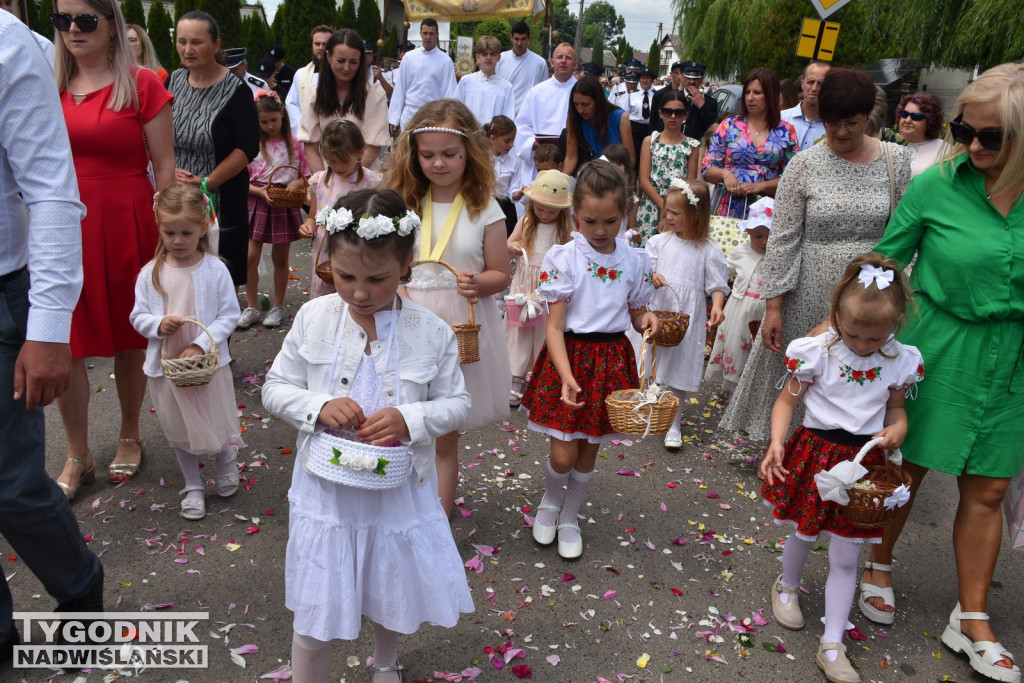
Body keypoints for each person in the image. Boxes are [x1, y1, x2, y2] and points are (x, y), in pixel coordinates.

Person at [262, 188, 474, 683]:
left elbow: (457, 403)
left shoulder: (430, 330)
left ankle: (385, 662)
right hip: (327, 495)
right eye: (345, 276)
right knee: (315, 607)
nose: (359, 292)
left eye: (376, 279)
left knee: (388, 583)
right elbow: (275, 388)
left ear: (406, 265)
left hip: (395, 491)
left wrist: (410, 419)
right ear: (327, 262)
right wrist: (316, 406)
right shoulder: (315, 318)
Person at [864, 63, 1024, 683]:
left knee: (987, 489)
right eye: (964, 131)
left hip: (1011, 356)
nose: (973, 146)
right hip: (939, 344)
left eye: (991, 138)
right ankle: (878, 563)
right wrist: (839, 329)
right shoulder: (936, 185)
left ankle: (974, 617)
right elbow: (887, 258)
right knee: (907, 468)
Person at [720, 68, 913, 442]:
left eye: (852, 124)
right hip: (806, 294)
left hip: (872, 298)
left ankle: (847, 463)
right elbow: (784, 239)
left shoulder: (897, 162)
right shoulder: (804, 165)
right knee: (804, 382)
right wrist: (773, 306)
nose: (840, 133)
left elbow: (906, 235)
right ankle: (790, 462)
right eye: (831, 123)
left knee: (855, 386)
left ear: (869, 117)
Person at [759, 253, 922, 683]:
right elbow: (787, 402)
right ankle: (787, 585)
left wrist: (898, 429)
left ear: (897, 323)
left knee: (848, 552)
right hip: (816, 452)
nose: (864, 346)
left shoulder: (898, 358)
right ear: (836, 315)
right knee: (804, 529)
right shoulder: (819, 351)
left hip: (865, 460)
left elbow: (896, 410)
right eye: (854, 335)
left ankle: (833, 642)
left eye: (876, 338)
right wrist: (777, 442)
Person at [0, 10, 104, 662]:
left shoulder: (8, 43)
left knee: (10, 483)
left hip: (7, 288)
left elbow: (51, 189)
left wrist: (48, 328)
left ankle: (79, 587)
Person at [54, 0, 174, 495]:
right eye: (62, 20)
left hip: (127, 217)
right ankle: (76, 453)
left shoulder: (143, 84)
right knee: (66, 341)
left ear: (111, 25)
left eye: (85, 20)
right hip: (62, 223)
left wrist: (169, 237)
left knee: (130, 334)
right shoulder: (47, 86)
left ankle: (130, 434)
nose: (73, 30)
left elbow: (165, 166)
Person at [521, 161, 658, 560]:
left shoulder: (636, 260)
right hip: (570, 356)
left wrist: (645, 317)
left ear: (626, 214)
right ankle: (550, 498)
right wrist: (565, 376)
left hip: (612, 358)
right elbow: (554, 327)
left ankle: (570, 513)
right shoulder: (565, 258)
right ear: (574, 215)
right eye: (589, 220)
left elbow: (635, 310)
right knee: (562, 452)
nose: (600, 230)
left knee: (588, 447)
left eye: (610, 221)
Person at [384, 99, 512, 516]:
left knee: (442, 432)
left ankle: (436, 515)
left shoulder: (485, 207)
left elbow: (500, 274)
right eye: (428, 155)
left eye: (450, 155)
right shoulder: (401, 200)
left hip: (460, 325)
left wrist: (478, 283)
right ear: (413, 154)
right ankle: (395, 503)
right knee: (399, 418)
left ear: (469, 153)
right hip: (404, 318)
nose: (438, 164)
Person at [129, 187, 243, 521]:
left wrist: (202, 345)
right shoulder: (151, 273)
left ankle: (225, 461)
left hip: (205, 363)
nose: (177, 240)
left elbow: (228, 315)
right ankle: (192, 484)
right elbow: (137, 316)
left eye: (186, 233)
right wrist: (157, 323)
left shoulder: (214, 270)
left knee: (214, 416)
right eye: (169, 232)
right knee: (179, 426)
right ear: (159, 228)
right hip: (169, 366)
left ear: (204, 228)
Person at [168, 10, 260, 287]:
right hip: (177, 200)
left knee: (215, 284)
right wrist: (169, 170)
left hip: (220, 200)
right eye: (182, 42)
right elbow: (158, 134)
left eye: (196, 42)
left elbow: (247, 148)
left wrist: (207, 182)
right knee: (177, 278)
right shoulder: (172, 81)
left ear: (216, 45)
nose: (188, 49)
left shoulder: (236, 90)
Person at [644, 179, 728, 449]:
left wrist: (717, 305)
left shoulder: (708, 250)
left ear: (695, 214)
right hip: (660, 310)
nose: (668, 216)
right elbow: (645, 272)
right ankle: (651, 407)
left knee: (679, 368)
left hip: (686, 318)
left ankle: (674, 422)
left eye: (675, 213)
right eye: (667, 210)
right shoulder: (659, 242)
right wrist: (652, 276)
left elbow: (716, 285)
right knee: (654, 363)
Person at [239, 91, 310, 329]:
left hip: (285, 203)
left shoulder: (296, 143)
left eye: (273, 120)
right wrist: (260, 192)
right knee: (250, 257)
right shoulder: (251, 145)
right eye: (263, 121)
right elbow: (241, 180)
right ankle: (251, 306)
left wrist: (296, 184)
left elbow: (307, 175)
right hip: (257, 201)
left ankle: (277, 306)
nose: (269, 126)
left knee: (281, 258)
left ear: (282, 114)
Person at [506, 169, 573, 406]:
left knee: (546, 331)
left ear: (562, 211)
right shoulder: (525, 222)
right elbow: (509, 242)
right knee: (521, 330)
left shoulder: (566, 230)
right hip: (525, 285)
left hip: (549, 288)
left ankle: (540, 375)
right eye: (540, 208)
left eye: (551, 210)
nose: (544, 214)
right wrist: (513, 247)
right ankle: (516, 375)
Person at [300, 119, 382, 299]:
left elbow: (378, 218)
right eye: (332, 162)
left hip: (358, 251)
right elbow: (312, 216)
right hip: (325, 254)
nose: (337, 167)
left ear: (360, 152)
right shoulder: (319, 181)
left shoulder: (370, 182)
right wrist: (308, 225)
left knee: (353, 296)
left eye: (343, 162)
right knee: (325, 297)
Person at [702, 68, 798, 218]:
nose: (750, 98)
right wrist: (725, 174)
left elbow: (793, 177)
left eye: (757, 93)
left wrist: (760, 186)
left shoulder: (786, 131)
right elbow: (707, 168)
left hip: (767, 210)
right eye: (747, 92)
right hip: (727, 207)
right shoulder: (728, 126)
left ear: (771, 95)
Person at [705, 196, 772, 399]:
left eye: (770, 236)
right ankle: (730, 390)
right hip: (739, 307)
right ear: (748, 231)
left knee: (758, 351)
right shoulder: (740, 252)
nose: (764, 242)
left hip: (765, 308)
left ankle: (752, 393)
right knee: (736, 345)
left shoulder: (777, 255)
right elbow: (722, 272)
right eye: (758, 235)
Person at [300, 28, 389, 173]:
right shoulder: (314, 94)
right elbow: (311, 147)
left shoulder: (374, 94)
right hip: (325, 177)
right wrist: (322, 183)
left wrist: (347, 180)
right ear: (328, 56)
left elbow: (372, 148)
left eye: (353, 62)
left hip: (362, 178)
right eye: (341, 61)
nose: (346, 68)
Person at [637, 88, 700, 245]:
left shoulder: (692, 146)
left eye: (678, 112)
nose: (673, 116)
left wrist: (671, 212)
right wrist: (664, 207)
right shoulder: (650, 141)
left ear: (686, 115)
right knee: (648, 253)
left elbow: (689, 184)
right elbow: (644, 180)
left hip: (679, 208)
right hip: (651, 206)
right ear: (660, 113)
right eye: (668, 111)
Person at [514, 42, 578, 180]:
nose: (563, 61)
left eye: (568, 57)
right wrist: (531, 142)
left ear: (576, 64)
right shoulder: (537, 91)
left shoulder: (581, 90)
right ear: (552, 62)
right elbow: (522, 124)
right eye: (559, 57)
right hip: (541, 158)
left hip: (572, 157)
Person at [387, 18, 456, 133]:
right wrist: (394, 118)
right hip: (411, 112)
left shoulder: (445, 60)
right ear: (420, 34)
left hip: (434, 115)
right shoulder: (409, 58)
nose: (428, 37)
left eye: (431, 33)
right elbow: (400, 88)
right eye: (425, 33)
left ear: (437, 35)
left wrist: (449, 119)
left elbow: (450, 92)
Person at [562, 75, 632, 176]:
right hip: (586, 176)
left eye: (585, 104)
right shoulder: (573, 118)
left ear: (598, 101)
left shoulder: (620, 118)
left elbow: (630, 159)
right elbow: (571, 158)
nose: (580, 110)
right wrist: (560, 181)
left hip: (614, 177)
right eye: (576, 104)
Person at [454, 35, 515, 127]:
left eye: (492, 54)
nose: (488, 58)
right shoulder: (466, 82)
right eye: (484, 54)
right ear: (478, 57)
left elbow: (508, 119)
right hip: (470, 136)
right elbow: (456, 112)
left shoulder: (506, 87)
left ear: (498, 57)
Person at [285, 25, 333, 136]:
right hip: (306, 133)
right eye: (317, 44)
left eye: (325, 44)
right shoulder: (301, 74)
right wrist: (303, 126)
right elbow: (292, 103)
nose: (320, 48)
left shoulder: (340, 74)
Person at [496, 21, 549, 114]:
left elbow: (543, 92)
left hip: (528, 117)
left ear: (529, 38)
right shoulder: (500, 59)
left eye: (523, 39)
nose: (519, 43)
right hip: (503, 115)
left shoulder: (540, 63)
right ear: (511, 38)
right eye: (516, 39)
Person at [485, 115, 524, 234]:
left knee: (504, 237)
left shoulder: (513, 163)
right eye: (507, 141)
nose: (511, 145)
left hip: (505, 208)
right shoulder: (481, 160)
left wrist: (518, 193)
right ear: (492, 138)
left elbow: (513, 189)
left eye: (513, 140)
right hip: (484, 203)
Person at [781, 61, 831, 150]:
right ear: (802, 83)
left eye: (821, 84)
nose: (814, 88)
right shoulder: (781, 118)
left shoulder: (834, 126)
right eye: (811, 82)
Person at [896, 92, 947, 176]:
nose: (907, 120)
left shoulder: (944, 150)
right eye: (904, 114)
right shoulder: (892, 144)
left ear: (930, 121)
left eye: (916, 116)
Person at [678, 61, 718, 140]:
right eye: (689, 77)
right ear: (682, 77)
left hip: (699, 148)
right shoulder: (674, 97)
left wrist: (702, 106)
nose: (692, 81)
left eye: (696, 78)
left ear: (701, 79)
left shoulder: (710, 102)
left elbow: (714, 128)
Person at [626, 66, 657, 170]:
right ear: (639, 79)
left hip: (650, 129)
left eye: (648, 78)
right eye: (643, 78)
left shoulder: (657, 96)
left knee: (647, 159)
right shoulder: (631, 94)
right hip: (634, 130)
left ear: (652, 80)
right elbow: (626, 113)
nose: (645, 80)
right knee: (634, 159)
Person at [649, 61, 684, 134]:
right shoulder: (660, 94)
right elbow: (653, 119)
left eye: (681, 73)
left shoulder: (688, 95)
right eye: (676, 73)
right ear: (671, 74)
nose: (679, 76)